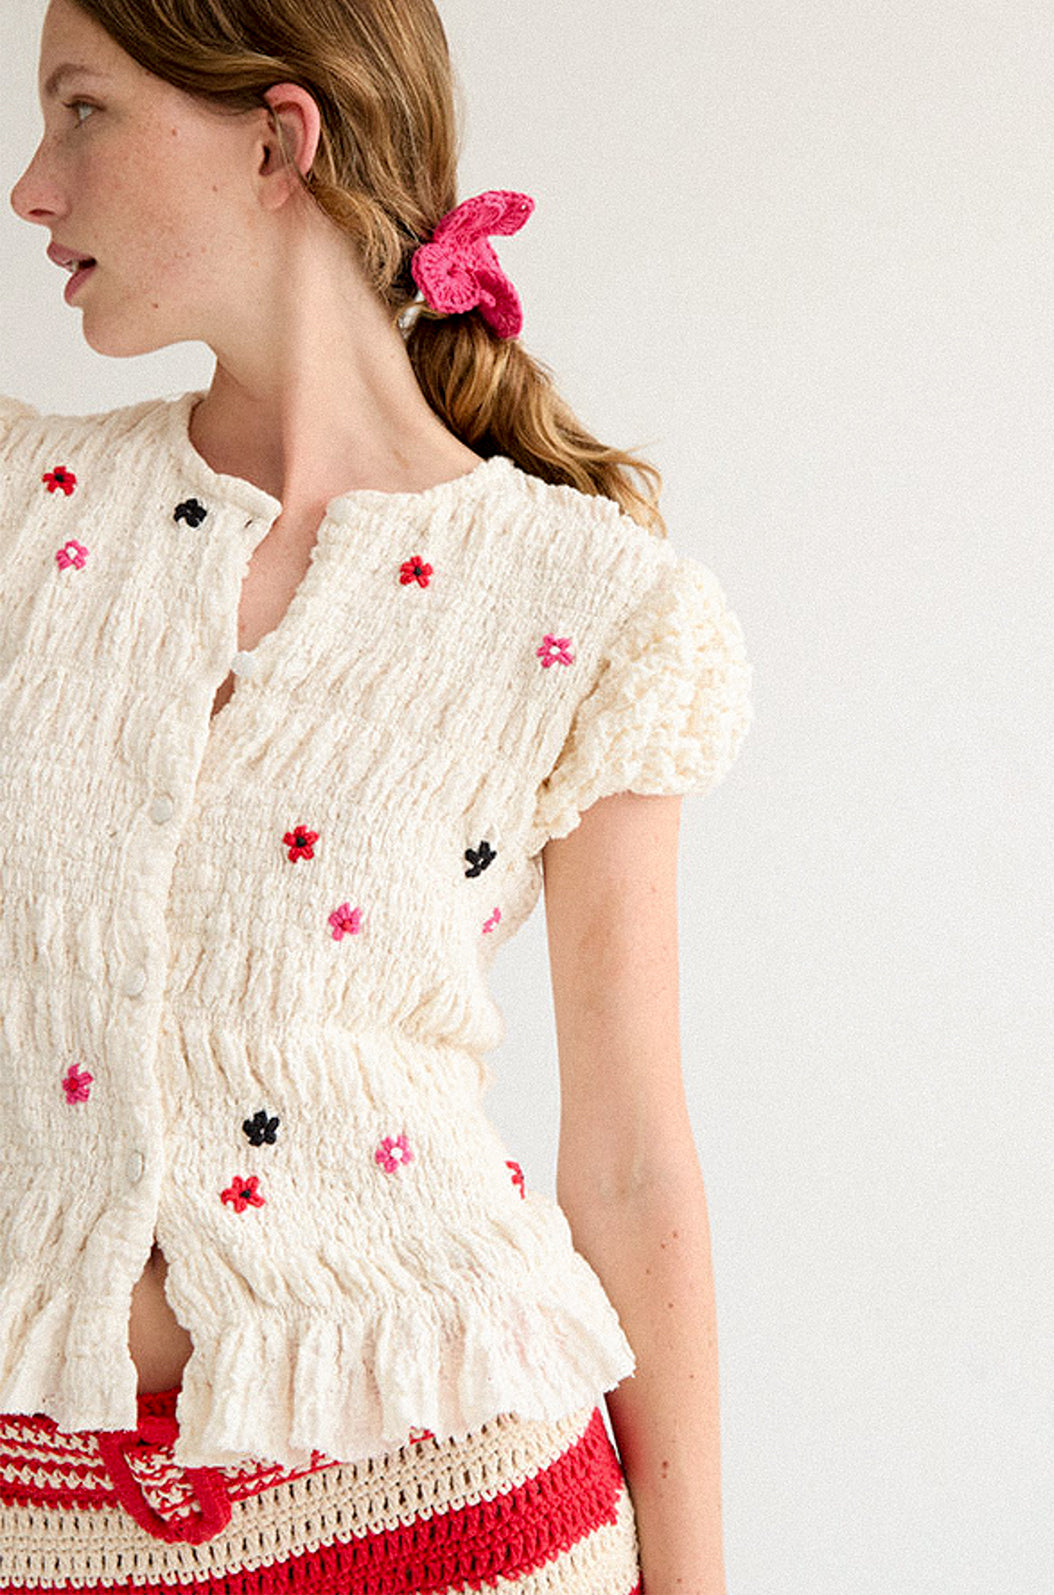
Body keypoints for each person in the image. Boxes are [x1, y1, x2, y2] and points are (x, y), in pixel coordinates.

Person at [0, 1, 753, 1591]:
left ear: (279, 138)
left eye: (81, 113)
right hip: (39, 1510)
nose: (31, 190)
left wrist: (690, 1581)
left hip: (449, 1498)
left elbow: (626, 1154)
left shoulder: (595, 603)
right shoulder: (17, 511)